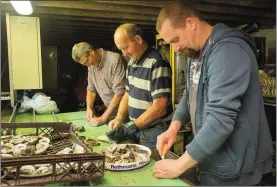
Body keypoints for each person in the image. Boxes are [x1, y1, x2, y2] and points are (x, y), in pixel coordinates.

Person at [153, 1, 273, 185]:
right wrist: (173, 128)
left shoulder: (227, 51)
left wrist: (179, 165)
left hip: (236, 167)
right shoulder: (195, 53)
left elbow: (220, 118)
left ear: (191, 23)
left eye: (175, 40)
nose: (175, 48)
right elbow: (189, 93)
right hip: (213, 159)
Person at [106, 23, 173, 151]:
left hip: (154, 131)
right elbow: (127, 93)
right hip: (137, 128)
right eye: (121, 49)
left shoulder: (157, 63)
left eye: (126, 47)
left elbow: (160, 107)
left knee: (150, 168)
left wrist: (131, 126)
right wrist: (119, 118)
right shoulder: (132, 63)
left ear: (138, 39)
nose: (124, 53)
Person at [72, 42, 125, 126]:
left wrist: (103, 117)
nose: (87, 65)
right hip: (109, 112)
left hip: (123, 113)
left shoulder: (114, 59)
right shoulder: (91, 66)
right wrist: (89, 108)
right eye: (84, 64)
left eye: (86, 62)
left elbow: (119, 92)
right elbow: (91, 89)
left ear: (91, 52)